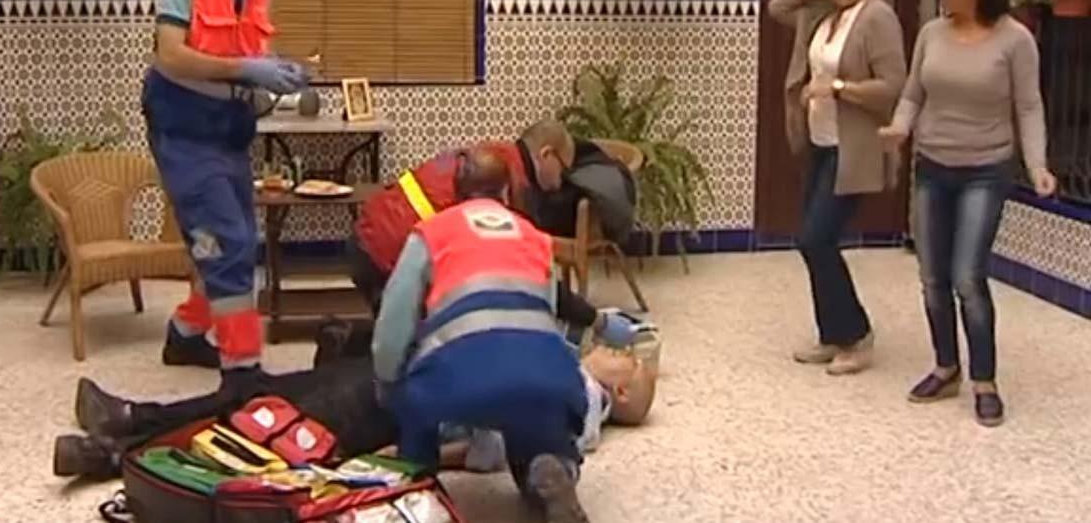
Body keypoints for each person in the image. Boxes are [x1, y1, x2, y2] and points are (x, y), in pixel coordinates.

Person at [879, 0, 1056, 427]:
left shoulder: (1014, 40)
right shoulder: (931, 34)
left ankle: (985, 380)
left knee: (966, 277)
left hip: (987, 168)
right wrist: (899, 127)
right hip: (933, 166)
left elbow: (1029, 106)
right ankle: (945, 366)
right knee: (932, 276)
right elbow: (914, 93)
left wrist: (1037, 165)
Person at [371, 148, 598, 523]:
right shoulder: (535, 238)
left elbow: (392, 328)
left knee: (410, 398)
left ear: (457, 193)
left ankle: (419, 486)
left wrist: (387, 382)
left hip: (458, 378)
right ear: (507, 194)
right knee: (539, 418)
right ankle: (552, 467)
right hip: (549, 375)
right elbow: (547, 312)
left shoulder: (432, 232)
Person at [141, 0, 308, 391]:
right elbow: (169, 55)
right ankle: (243, 371)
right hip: (184, 128)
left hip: (231, 131)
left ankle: (187, 332)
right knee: (227, 242)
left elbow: (252, 55)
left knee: (232, 241)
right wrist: (247, 68)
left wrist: (274, 75)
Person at [51, 342, 657, 483]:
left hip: (399, 413)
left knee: (267, 431)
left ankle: (114, 451)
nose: (614, 348)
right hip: (396, 379)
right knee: (259, 398)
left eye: (625, 358)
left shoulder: (580, 409)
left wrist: (405, 459)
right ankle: (131, 420)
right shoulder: (562, 361)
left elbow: (494, 450)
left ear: (621, 394)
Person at [334, 118, 637, 357]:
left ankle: (345, 339)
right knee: (422, 351)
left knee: (404, 335)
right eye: (563, 170)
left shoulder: (495, 156)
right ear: (546, 155)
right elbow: (532, 278)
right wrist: (596, 321)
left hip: (367, 240)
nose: (562, 183)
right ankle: (348, 343)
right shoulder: (512, 188)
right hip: (387, 256)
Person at [768, 0, 908, 376]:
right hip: (819, 144)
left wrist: (840, 87)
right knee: (811, 242)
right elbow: (777, 8)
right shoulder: (822, 16)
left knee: (816, 238)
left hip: (854, 149)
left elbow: (893, 87)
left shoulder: (876, 18)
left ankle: (855, 334)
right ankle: (833, 334)